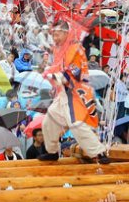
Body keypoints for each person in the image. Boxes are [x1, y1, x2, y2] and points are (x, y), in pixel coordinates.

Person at [39, 21, 106, 163]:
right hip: (63, 92)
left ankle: (99, 152)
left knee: (76, 124)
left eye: (56, 35)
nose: (54, 38)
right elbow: (58, 67)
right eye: (53, 35)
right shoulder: (59, 49)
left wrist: (54, 76)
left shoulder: (75, 48)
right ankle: (52, 152)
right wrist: (49, 71)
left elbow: (75, 72)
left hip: (75, 92)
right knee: (49, 121)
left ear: (65, 33)